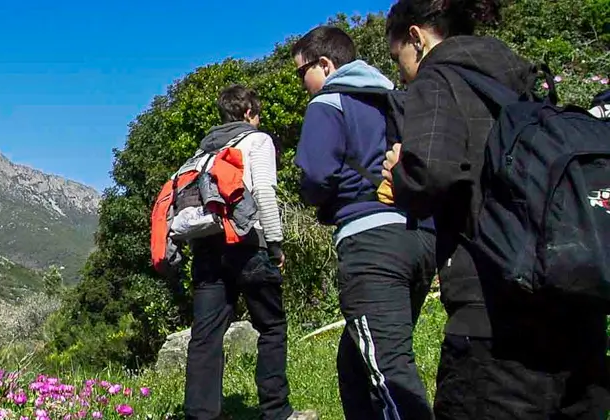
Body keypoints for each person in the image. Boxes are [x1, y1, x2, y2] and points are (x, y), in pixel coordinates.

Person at [382, 0, 610, 418]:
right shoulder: (523, 80)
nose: (401, 73)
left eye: (399, 59)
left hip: (496, 323)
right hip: (577, 315)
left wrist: (399, 172)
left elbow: (431, 174)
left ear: (416, 37)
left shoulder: (439, 79)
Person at [291, 26, 438, 420]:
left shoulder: (329, 102)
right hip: (419, 237)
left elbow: (316, 174)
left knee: (389, 373)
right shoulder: (397, 99)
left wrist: (319, 200)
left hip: (370, 242)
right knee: (355, 363)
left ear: (325, 64)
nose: (301, 83)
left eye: (300, 72)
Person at [183, 85, 311, 420]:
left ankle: (200, 414)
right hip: (247, 243)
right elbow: (265, 193)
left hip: (208, 248)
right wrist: (276, 243)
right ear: (250, 113)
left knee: (206, 334)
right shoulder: (257, 140)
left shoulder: (203, 150)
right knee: (271, 326)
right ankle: (276, 411)